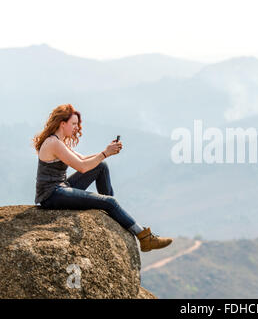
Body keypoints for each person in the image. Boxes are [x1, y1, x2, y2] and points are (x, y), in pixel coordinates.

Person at [32, 104, 172, 252]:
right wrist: (105, 153)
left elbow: (84, 159)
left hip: (61, 188)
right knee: (110, 201)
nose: (75, 127)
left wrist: (107, 151)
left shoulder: (59, 142)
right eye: (73, 124)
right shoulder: (54, 143)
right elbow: (82, 167)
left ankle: (111, 211)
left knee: (101, 166)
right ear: (62, 123)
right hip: (51, 195)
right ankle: (144, 237)